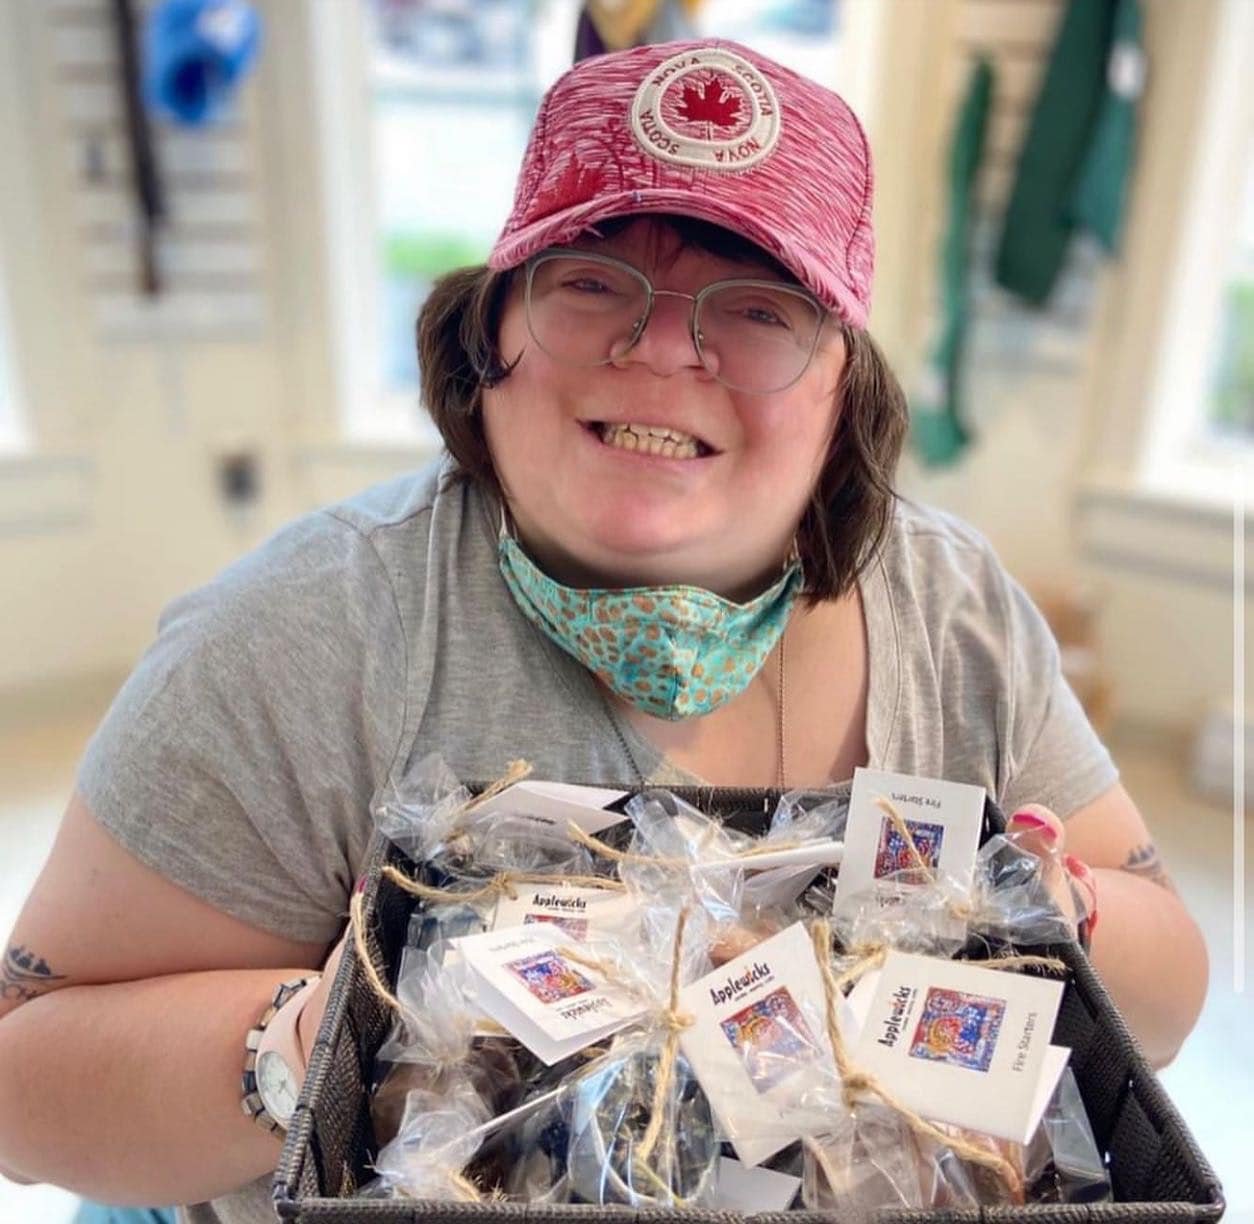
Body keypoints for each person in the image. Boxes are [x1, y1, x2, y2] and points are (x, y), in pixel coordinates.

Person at [0, 38, 1206, 1224]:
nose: (666, 345)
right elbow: (22, 1081)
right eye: (590, 280)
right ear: (489, 339)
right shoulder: (299, 637)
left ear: (847, 390)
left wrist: (1042, 910)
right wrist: (331, 1039)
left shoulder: (956, 616)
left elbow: (1163, 991)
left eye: (759, 305)